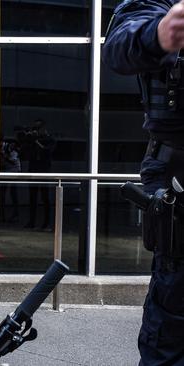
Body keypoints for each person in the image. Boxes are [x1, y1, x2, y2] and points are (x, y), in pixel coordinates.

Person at [103, 1, 184, 364]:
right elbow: (119, 47)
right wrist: (160, 33)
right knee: (173, 318)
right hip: (178, 177)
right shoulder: (157, 6)